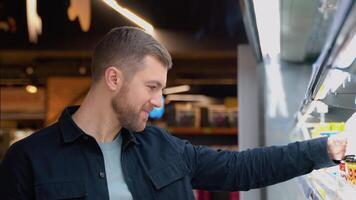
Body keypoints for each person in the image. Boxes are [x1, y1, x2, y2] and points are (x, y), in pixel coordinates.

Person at [0, 26, 348, 200]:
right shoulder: (28, 160)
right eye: (151, 86)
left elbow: (241, 169)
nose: (159, 100)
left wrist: (327, 149)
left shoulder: (163, 148)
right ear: (113, 78)